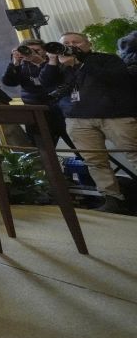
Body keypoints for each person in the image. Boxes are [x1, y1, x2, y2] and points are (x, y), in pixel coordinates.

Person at [53, 32, 137, 214]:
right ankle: (112, 198)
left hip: (115, 116)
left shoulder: (106, 59)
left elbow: (116, 78)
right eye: (66, 43)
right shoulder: (61, 65)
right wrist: (53, 63)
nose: (71, 45)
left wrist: (82, 62)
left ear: (88, 44)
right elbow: (47, 84)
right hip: (78, 118)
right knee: (94, 160)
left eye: (76, 42)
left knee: (135, 153)